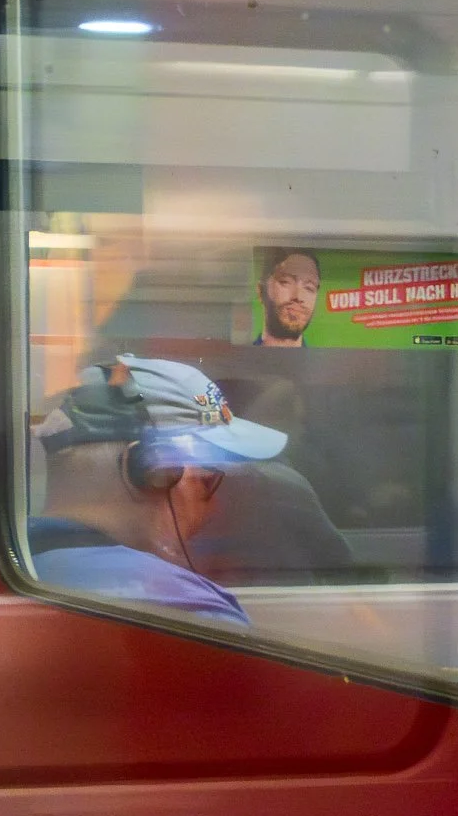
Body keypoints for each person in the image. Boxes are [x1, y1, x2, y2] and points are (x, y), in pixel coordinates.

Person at [28, 355, 288, 626]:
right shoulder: (193, 612)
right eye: (207, 481)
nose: (215, 507)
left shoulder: (18, 566)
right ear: (154, 472)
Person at [254, 247, 321, 346]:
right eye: (285, 282)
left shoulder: (324, 361)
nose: (298, 297)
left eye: (309, 288)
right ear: (261, 291)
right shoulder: (239, 359)